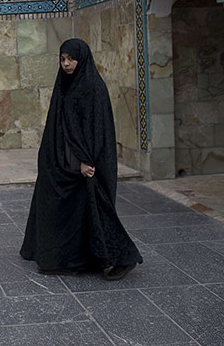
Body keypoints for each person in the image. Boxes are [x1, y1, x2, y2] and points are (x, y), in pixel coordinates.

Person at [19, 39, 142, 281]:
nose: (66, 64)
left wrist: (86, 160)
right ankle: (64, 257)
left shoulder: (92, 87)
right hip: (61, 160)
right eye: (62, 59)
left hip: (85, 163)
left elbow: (94, 130)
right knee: (64, 208)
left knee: (95, 209)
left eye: (70, 59)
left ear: (82, 59)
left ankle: (123, 258)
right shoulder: (66, 84)